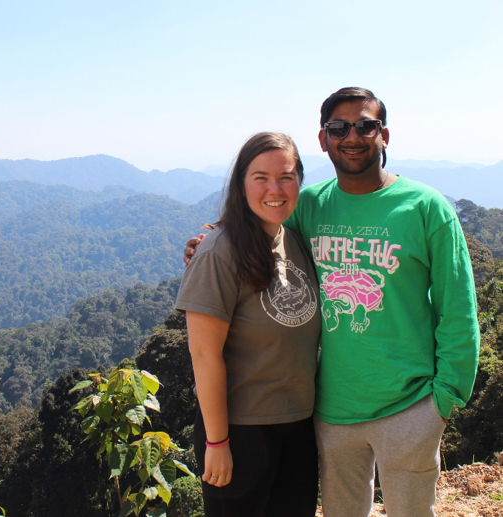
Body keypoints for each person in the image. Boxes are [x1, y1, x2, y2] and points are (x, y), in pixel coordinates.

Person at [184, 88, 480, 517]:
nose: (353, 136)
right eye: (339, 127)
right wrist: (206, 241)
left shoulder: (426, 208)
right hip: (329, 412)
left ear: (385, 135)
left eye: (365, 125)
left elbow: (458, 311)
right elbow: (259, 214)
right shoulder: (312, 205)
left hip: (410, 405)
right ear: (324, 140)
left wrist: (444, 401)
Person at [176, 132, 321, 517]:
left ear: (299, 181)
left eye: (286, 176)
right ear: (242, 185)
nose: (275, 188)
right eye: (260, 177)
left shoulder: (295, 240)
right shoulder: (219, 252)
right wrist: (217, 442)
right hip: (241, 432)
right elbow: (204, 354)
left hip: (298, 425)